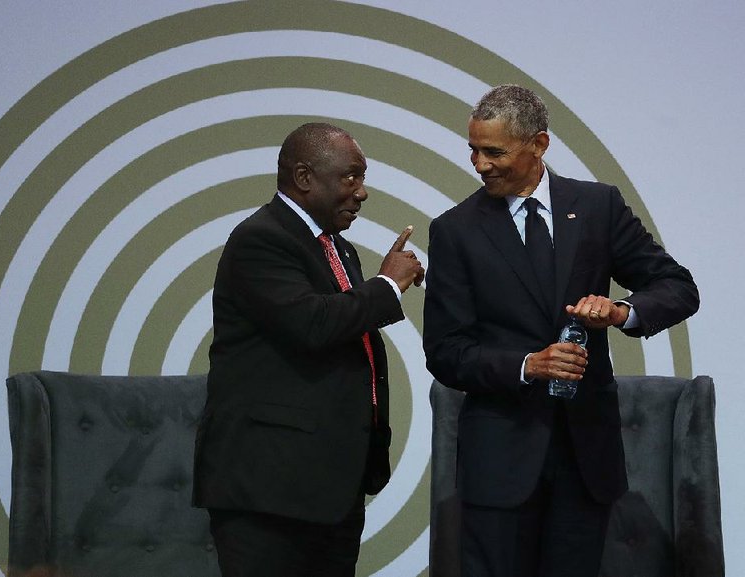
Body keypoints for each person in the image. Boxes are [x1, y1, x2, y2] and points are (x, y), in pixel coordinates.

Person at [423, 85, 699, 577]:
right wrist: (528, 366)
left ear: (539, 145)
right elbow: (446, 351)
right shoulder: (455, 230)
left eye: (494, 152)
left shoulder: (598, 207)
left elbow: (677, 287)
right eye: (473, 150)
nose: (479, 164)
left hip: (584, 461)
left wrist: (620, 312)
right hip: (500, 467)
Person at [192, 122, 425, 577]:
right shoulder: (261, 239)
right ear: (304, 178)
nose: (361, 192)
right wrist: (387, 287)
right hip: (268, 491)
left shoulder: (338, 248)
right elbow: (311, 324)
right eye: (350, 176)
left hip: (327, 488)